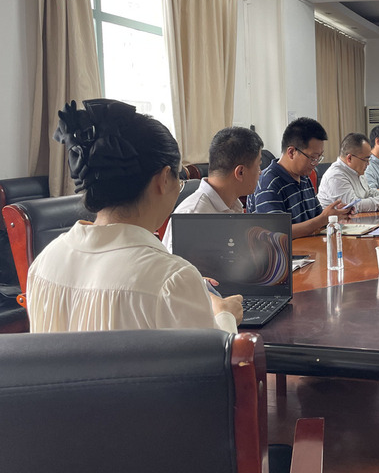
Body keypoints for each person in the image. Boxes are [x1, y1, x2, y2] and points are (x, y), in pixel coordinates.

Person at [27, 99, 243, 333]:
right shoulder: (172, 279)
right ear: (163, 179)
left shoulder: (44, 263)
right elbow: (213, 355)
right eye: (179, 180)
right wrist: (225, 314)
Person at [161, 126, 264, 252]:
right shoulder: (193, 217)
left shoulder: (233, 205)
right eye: (258, 166)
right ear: (240, 172)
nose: (260, 172)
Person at [248, 117, 350, 238]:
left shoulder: (304, 177)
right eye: (313, 157)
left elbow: (317, 217)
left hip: (309, 246)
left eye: (319, 157)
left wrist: (334, 213)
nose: (316, 163)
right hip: (288, 250)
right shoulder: (268, 183)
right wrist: (322, 219)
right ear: (291, 152)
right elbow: (276, 233)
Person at [318, 133, 379, 212]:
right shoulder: (336, 176)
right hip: (335, 222)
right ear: (349, 158)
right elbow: (354, 206)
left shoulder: (357, 170)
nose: (368, 163)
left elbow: (368, 193)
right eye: (365, 160)